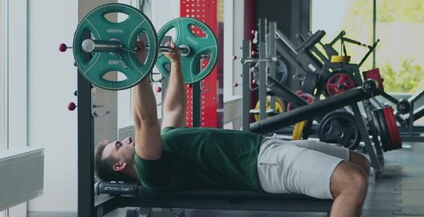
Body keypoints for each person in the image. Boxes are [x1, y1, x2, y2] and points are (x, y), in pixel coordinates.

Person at [95, 40, 371, 217]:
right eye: (118, 147)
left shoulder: (165, 143)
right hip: (262, 166)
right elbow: (146, 120)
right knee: (352, 182)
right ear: (119, 167)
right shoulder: (149, 167)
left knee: (361, 163)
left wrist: (177, 64)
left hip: (266, 149)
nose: (126, 139)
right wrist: (137, 68)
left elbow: (173, 109)